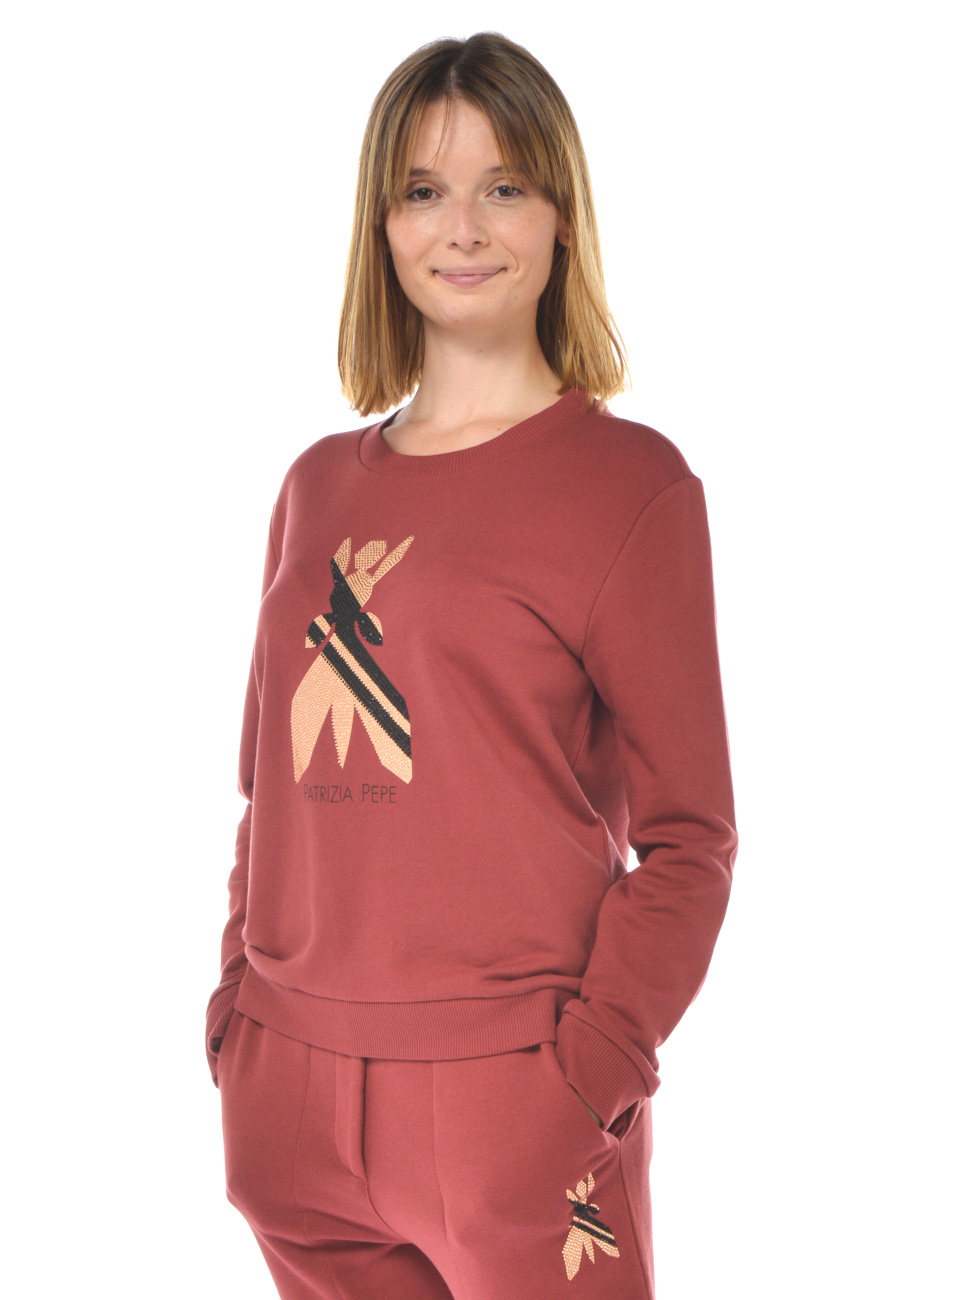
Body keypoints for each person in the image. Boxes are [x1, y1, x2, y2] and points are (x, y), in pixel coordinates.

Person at [205, 31, 738, 1300]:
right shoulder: (315, 486)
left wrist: (588, 1074)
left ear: (560, 214)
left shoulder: (630, 486)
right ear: (382, 226)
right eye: (422, 189)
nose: (463, 227)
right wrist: (239, 1018)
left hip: (517, 1098)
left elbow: (692, 838)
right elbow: (267, 791)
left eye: (504, 185)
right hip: (292, 1094)